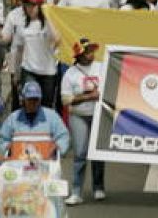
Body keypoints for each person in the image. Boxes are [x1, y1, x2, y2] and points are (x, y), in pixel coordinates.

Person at [61, 38, 105, 205]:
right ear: (79, 56)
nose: (91, 54)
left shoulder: (102, 67)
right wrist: (89, 97)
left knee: (98, 153)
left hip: (98, 115)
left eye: (92, 50)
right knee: (80, 153)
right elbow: (66, 100)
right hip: (78, 116)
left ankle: (98, 187)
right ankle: (76, 191)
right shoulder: (70, 74)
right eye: (87, 51)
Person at [0, 80, 69, 158]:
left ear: (40, 99)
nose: (33, 102)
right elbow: (3, 139)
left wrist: (57, 147)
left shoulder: (52, 116)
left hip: (46, 160)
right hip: (18, 160)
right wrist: (7, 146)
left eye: (35, 99)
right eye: (30, 99)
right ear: (24, 99)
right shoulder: (13, 118)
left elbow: (63, 136)